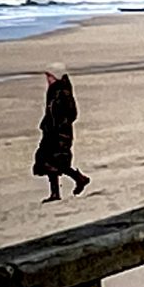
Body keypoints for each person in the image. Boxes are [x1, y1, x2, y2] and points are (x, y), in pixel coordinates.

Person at [33, 65, 90, 203]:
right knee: (48, 161)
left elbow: (71, 112)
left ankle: (77, 180)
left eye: (49, 76)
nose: (48, 79)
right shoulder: (54, 90)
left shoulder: (62, 91)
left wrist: (60, 125)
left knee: (57, 160)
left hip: (60, 132)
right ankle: (58, 191)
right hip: (52, 131)